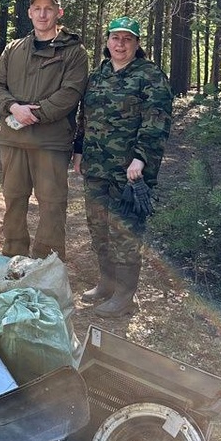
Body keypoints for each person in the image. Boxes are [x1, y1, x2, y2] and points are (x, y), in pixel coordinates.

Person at [73, 17, 172, 316]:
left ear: (137, 44)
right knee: (99, 227)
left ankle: (125, 296)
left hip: (129, 172)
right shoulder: (99, 74)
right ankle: (107, 284)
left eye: (127, 39)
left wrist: (140, 158)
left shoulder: (149, 76)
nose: (120, 44)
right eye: (115, 38)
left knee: (125, 233)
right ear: (106, 41)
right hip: (96, 166)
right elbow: (85, 116)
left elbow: (157, 121)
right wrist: (79, 151)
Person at [0, 0, 88, 259]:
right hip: (13, 139)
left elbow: (71, 93)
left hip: (51, 140)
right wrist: (13, 108)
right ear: (30, 12)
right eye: (37, 8)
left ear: (59, 13)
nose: (42, 14)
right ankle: (13, 256)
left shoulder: (74, 52)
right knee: (13, 199)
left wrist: (34, 114)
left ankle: (48, 263)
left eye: (49, 8)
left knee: (52, 204)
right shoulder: (14, 48)